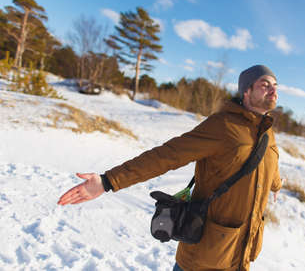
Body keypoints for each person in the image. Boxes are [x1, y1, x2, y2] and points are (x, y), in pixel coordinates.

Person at [58, 65, 282, 271]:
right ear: (247, 91)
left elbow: (269, 163)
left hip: (241, 255)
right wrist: (108, 181)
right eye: (265, 85)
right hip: (205, 255)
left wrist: (275, 185)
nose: (273, 90)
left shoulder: (267, 132)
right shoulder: (222, 125)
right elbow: (168, 155)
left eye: (275, 86)